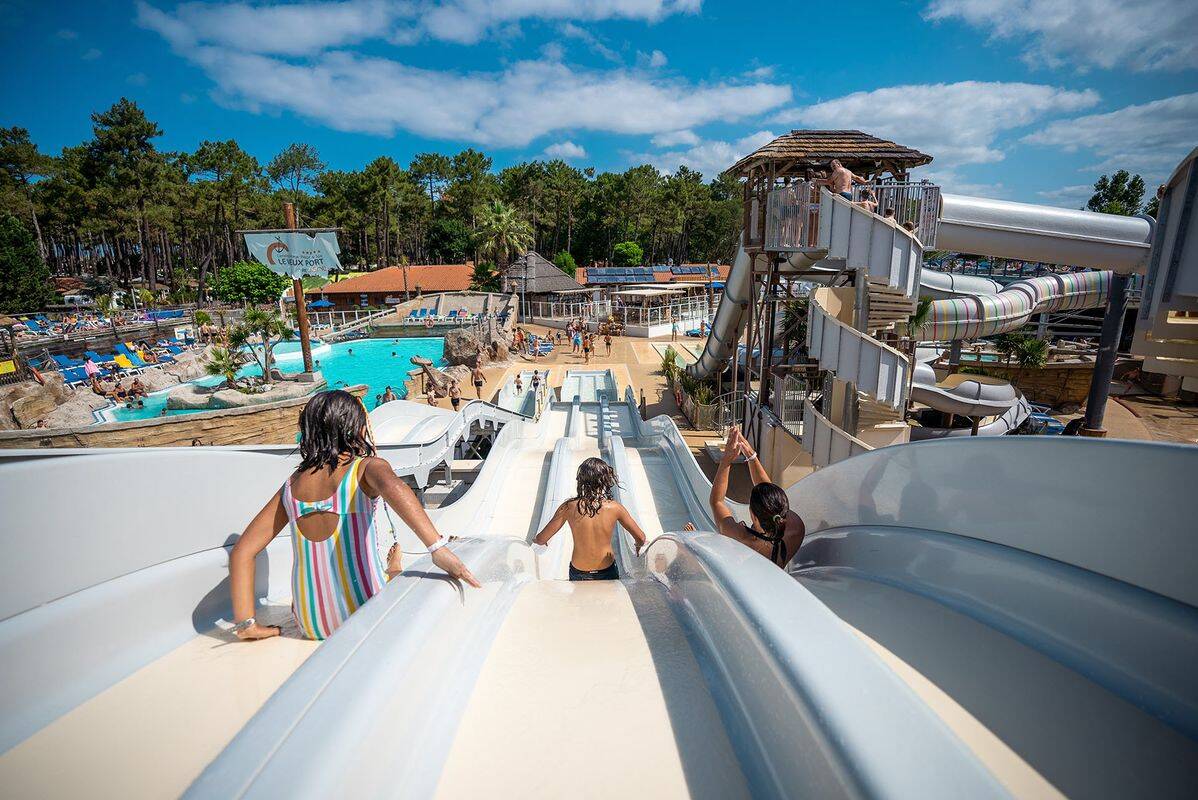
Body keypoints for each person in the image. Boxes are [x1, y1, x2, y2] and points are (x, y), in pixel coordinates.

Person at [228, 390, 480, 641]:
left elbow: (242, 552)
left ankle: (247, 627)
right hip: (365, 610)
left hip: (311, 624)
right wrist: (437, 548)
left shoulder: (292, 485)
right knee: (394, 576)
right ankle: (394, 566)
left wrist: (246, 623)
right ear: (356, 429)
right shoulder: (366, 467)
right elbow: (395, 487)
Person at [705, 427, 805, 568]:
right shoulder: (796, 529)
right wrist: (751, 457)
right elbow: (769, 496)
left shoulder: (741, 538)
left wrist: (726, 460)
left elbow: (717, 502)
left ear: (754, 516)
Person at [534, 457, 647, 581]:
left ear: (581, 480)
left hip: (579, 570)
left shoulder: (568, 507)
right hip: (607, 568)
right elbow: (641, 538)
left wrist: (537, 539)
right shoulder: (615, 507)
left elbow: (541, 539)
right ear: (605, 480)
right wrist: (637, 545)